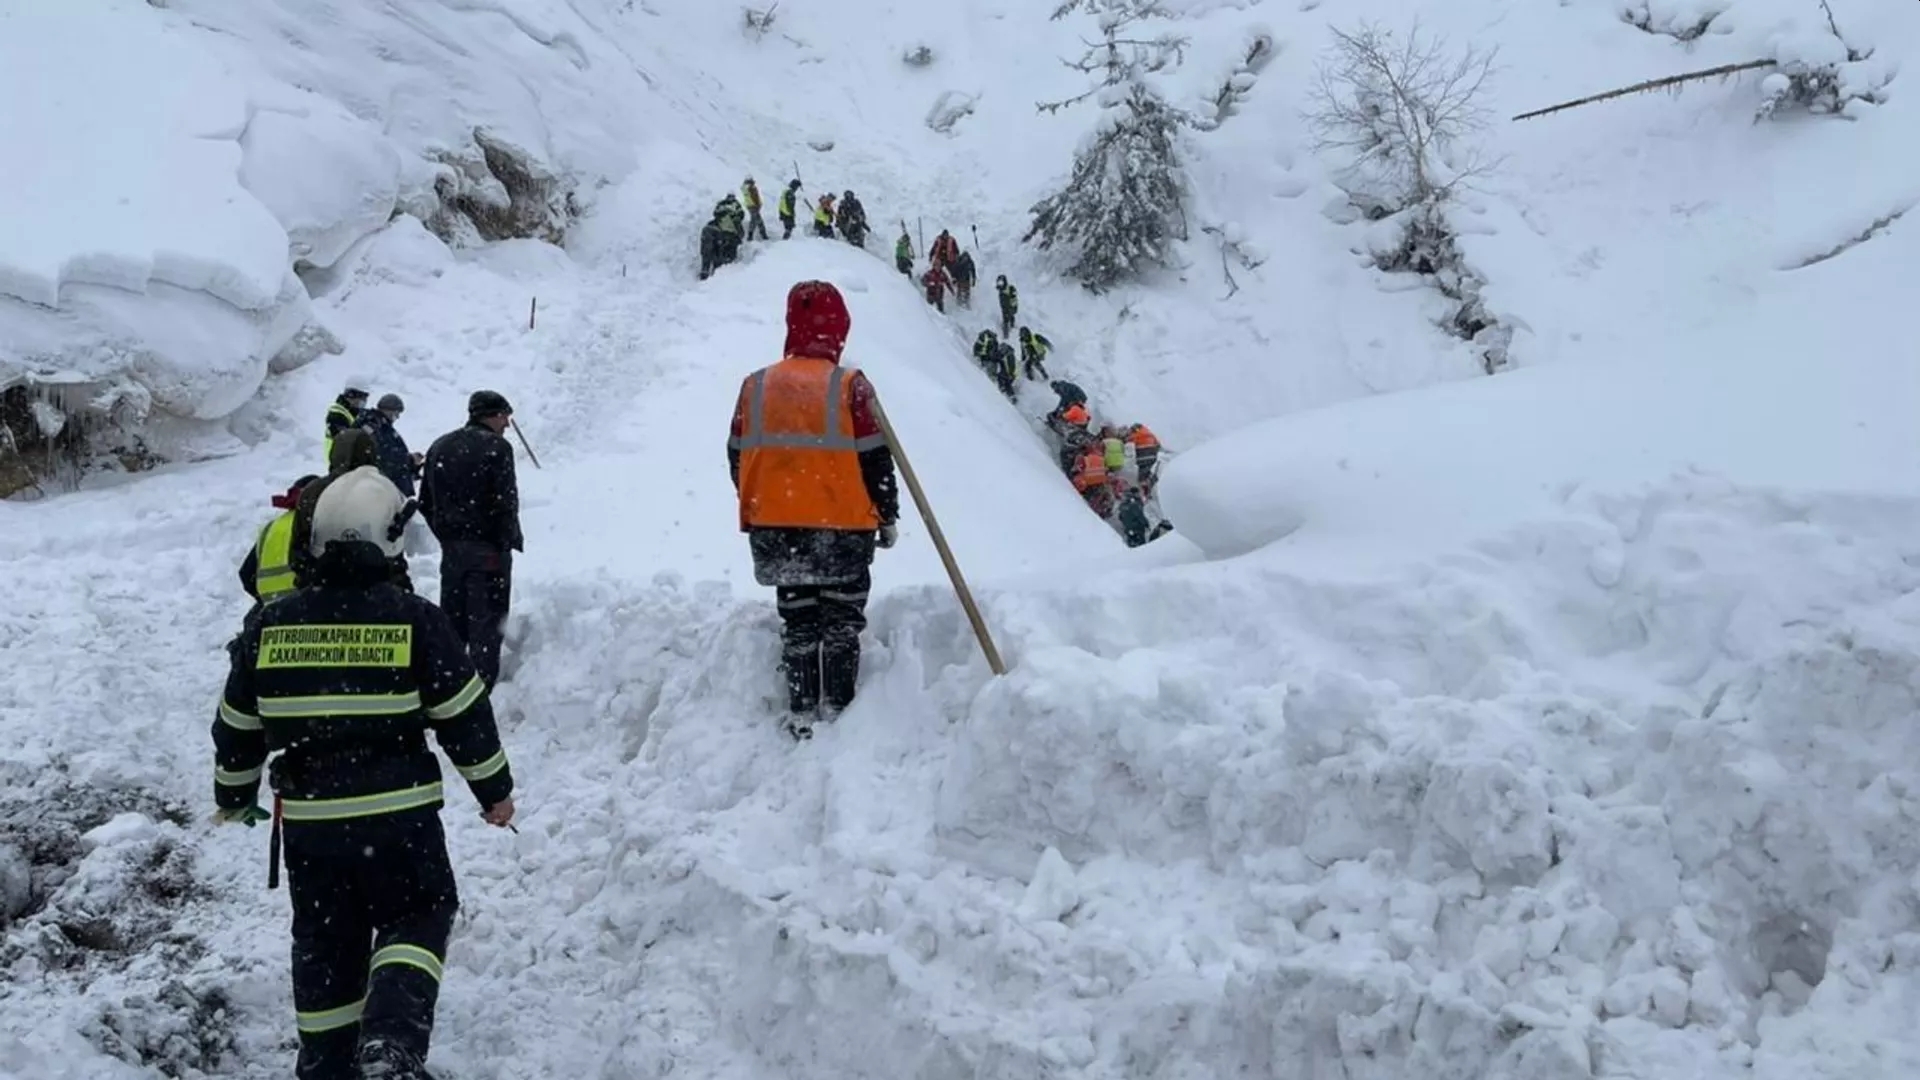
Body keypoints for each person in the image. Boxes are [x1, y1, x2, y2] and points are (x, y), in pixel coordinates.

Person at [211, 467, 516, 1080]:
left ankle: (326, 1063)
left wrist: (234, 794)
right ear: (389, 539)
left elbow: (237, 726)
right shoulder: (414, 620)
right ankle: (390, 1046)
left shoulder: (269, 624)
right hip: (398, 817)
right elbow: (463, 715)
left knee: (328, 939)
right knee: (419, 912)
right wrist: (494, 793)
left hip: (311, 825)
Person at [727, 281, 900, 737]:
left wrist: (767, 501)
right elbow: (876, 460)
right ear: (839, 327)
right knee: (841, 622)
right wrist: (887, 514)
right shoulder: (850, 387)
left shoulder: (756, 385)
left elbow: (736, 456)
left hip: (777, 531)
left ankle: (803, 712)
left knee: (799, 618)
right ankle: (839, 716)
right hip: (842, 532)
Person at [419, 391, 523, 688]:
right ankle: (481, 690)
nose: (506, 424)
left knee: (453, 623)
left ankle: (449, 686)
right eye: (505, 416)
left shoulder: (439, 446)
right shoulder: (497, 448)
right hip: (488, 551)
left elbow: (426, 501)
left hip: (452, 551)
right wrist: (503, 541)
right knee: (487, 625)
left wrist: (448, 535)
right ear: (491, 414)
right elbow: (506, 501)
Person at [293, 427, 415, 595]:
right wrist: (401, 589)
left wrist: (308, 581)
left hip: (323, 588)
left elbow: (299, 547)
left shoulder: (313, 491)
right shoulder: (382, 488)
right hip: (378, 591)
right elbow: (394, 550)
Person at [238, 474, 320, 604]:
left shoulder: (271, 527)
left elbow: (246, 574)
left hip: (272, 609)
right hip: (306, 605)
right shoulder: (315, 521)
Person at [363, 394, 420, 498]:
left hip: (387, 486)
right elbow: (383, 456)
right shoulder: (375, 426)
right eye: (396, 413)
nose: (397, 417)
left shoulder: (382, 426)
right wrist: (409, 459)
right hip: (383, 489)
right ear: (388, 410)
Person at [324, 385, 369, 463]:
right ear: (351, 397)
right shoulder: (337, 414)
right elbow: (347, 439)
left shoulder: (352, 412)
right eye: (362, 399)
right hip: (339, 459)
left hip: (345, 459)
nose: (363, 403)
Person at [1126, 422, 1162, 496]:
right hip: (1152, 458)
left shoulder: (1135, 435)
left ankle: (1145, 491)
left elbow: (1128, 444)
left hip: (1141, 459)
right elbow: (1158, 445)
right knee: (1148, 471)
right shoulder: (1151, 434)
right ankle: (1152, 486)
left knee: (1141, 477)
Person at [741, 177, 768, 241]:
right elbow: (755, 197)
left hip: (751, 206)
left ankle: (762, 234)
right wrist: (758, 205)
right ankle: (751, 236)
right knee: (755, 220)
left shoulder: (745, 188)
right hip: (754, 206)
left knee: (758, 220)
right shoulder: (751, 188)